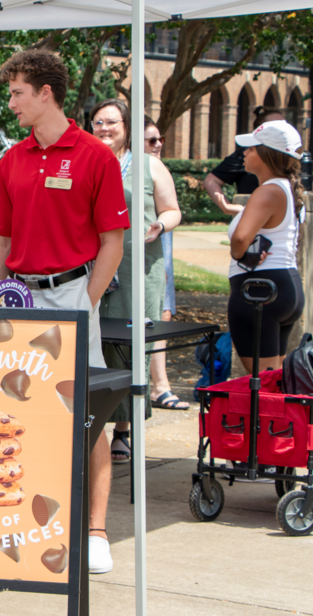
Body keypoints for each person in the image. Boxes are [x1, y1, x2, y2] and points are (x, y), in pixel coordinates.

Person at [0, 49, 128, 574]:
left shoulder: (95, 155)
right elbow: (0, 238)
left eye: (17, 92)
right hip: (16, 299)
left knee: (86, 416)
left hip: (70, 296)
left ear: (46, 93)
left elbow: (112, 242)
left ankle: (94, 530)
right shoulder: (13, 159)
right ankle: (20, 518)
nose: (11, 102)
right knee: (13, 411)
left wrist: (84, 303)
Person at [90, 101, 182, 466]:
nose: (104, 128)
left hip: (136, 268)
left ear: (127, 126)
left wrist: (161, 224)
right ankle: (92, 424)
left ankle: (124, 431)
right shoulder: (86, 161)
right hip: (91, 264)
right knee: (96, 342)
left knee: (129, 346)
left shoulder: (149, 165)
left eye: (111, 122)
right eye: (97, 122)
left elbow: (172, 209)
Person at [216, 120, 305, 374]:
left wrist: (237, 253)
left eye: (252, 148)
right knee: (274, 379)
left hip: (259, 292)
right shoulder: (285, 188)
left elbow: (242, 238)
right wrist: (242, 211)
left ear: (267, 154)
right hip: (286, 287)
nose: (244, 153)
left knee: (262, 385)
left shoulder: (266, 192)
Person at [144, 119, 188, 411]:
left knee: (161, 314)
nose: (158, 144)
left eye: (160, 139)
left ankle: (160, 384)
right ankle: (158, 385)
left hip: (157, 249)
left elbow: (172, 211)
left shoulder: (157, 169)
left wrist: (160, 224)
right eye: (151, 140)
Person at [203, 106, 285, 215]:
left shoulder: (294, 160)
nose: (246, 153)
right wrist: (228, 207)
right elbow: (211, 180)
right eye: (250, 149)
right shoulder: (243, 157)